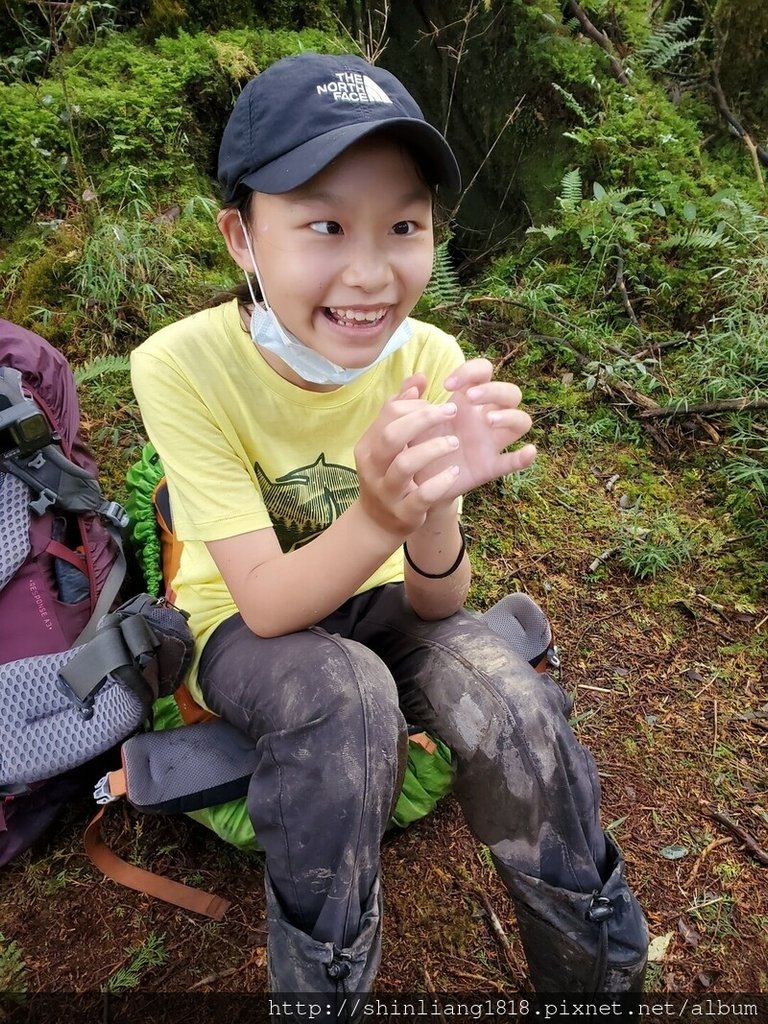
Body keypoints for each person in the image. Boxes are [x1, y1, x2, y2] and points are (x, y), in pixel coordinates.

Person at [130, 51, 648, 1001]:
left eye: (404, 225)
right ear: (241, 236)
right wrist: (378, 509)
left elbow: (435, 596)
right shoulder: (181, 366)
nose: (370, 275)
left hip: (382, 606)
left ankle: (595, 975)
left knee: (514, 702)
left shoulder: (430, 354)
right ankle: (324, 985)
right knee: (346, 698)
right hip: (247, 628)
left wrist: (435, 501)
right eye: (324, 223)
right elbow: (272, 604)